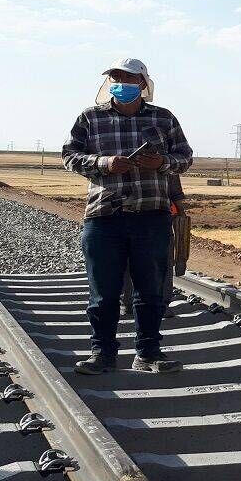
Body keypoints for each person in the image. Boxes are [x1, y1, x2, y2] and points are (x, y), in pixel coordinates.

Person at [63, 58, 194, 375]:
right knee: (103, 293)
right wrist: (104, 164)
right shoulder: (90, 118)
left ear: (143, 84)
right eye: (115, 78)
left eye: (127, 78)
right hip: (104, 216)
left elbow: (185, 158)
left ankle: (149, 354)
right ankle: (102, 354)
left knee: (149, 292)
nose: (120, 83)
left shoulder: (164, 119)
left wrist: (160, 162)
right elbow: (69, 156)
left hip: (151, 217)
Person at [121, 173, 189, 317]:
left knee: (162, 261)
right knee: (127, 262)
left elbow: (173, 178)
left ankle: (161, 304)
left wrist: (179, 210)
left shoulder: (165, 153)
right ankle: (128, 302)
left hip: (159, 212)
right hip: (126, 212)